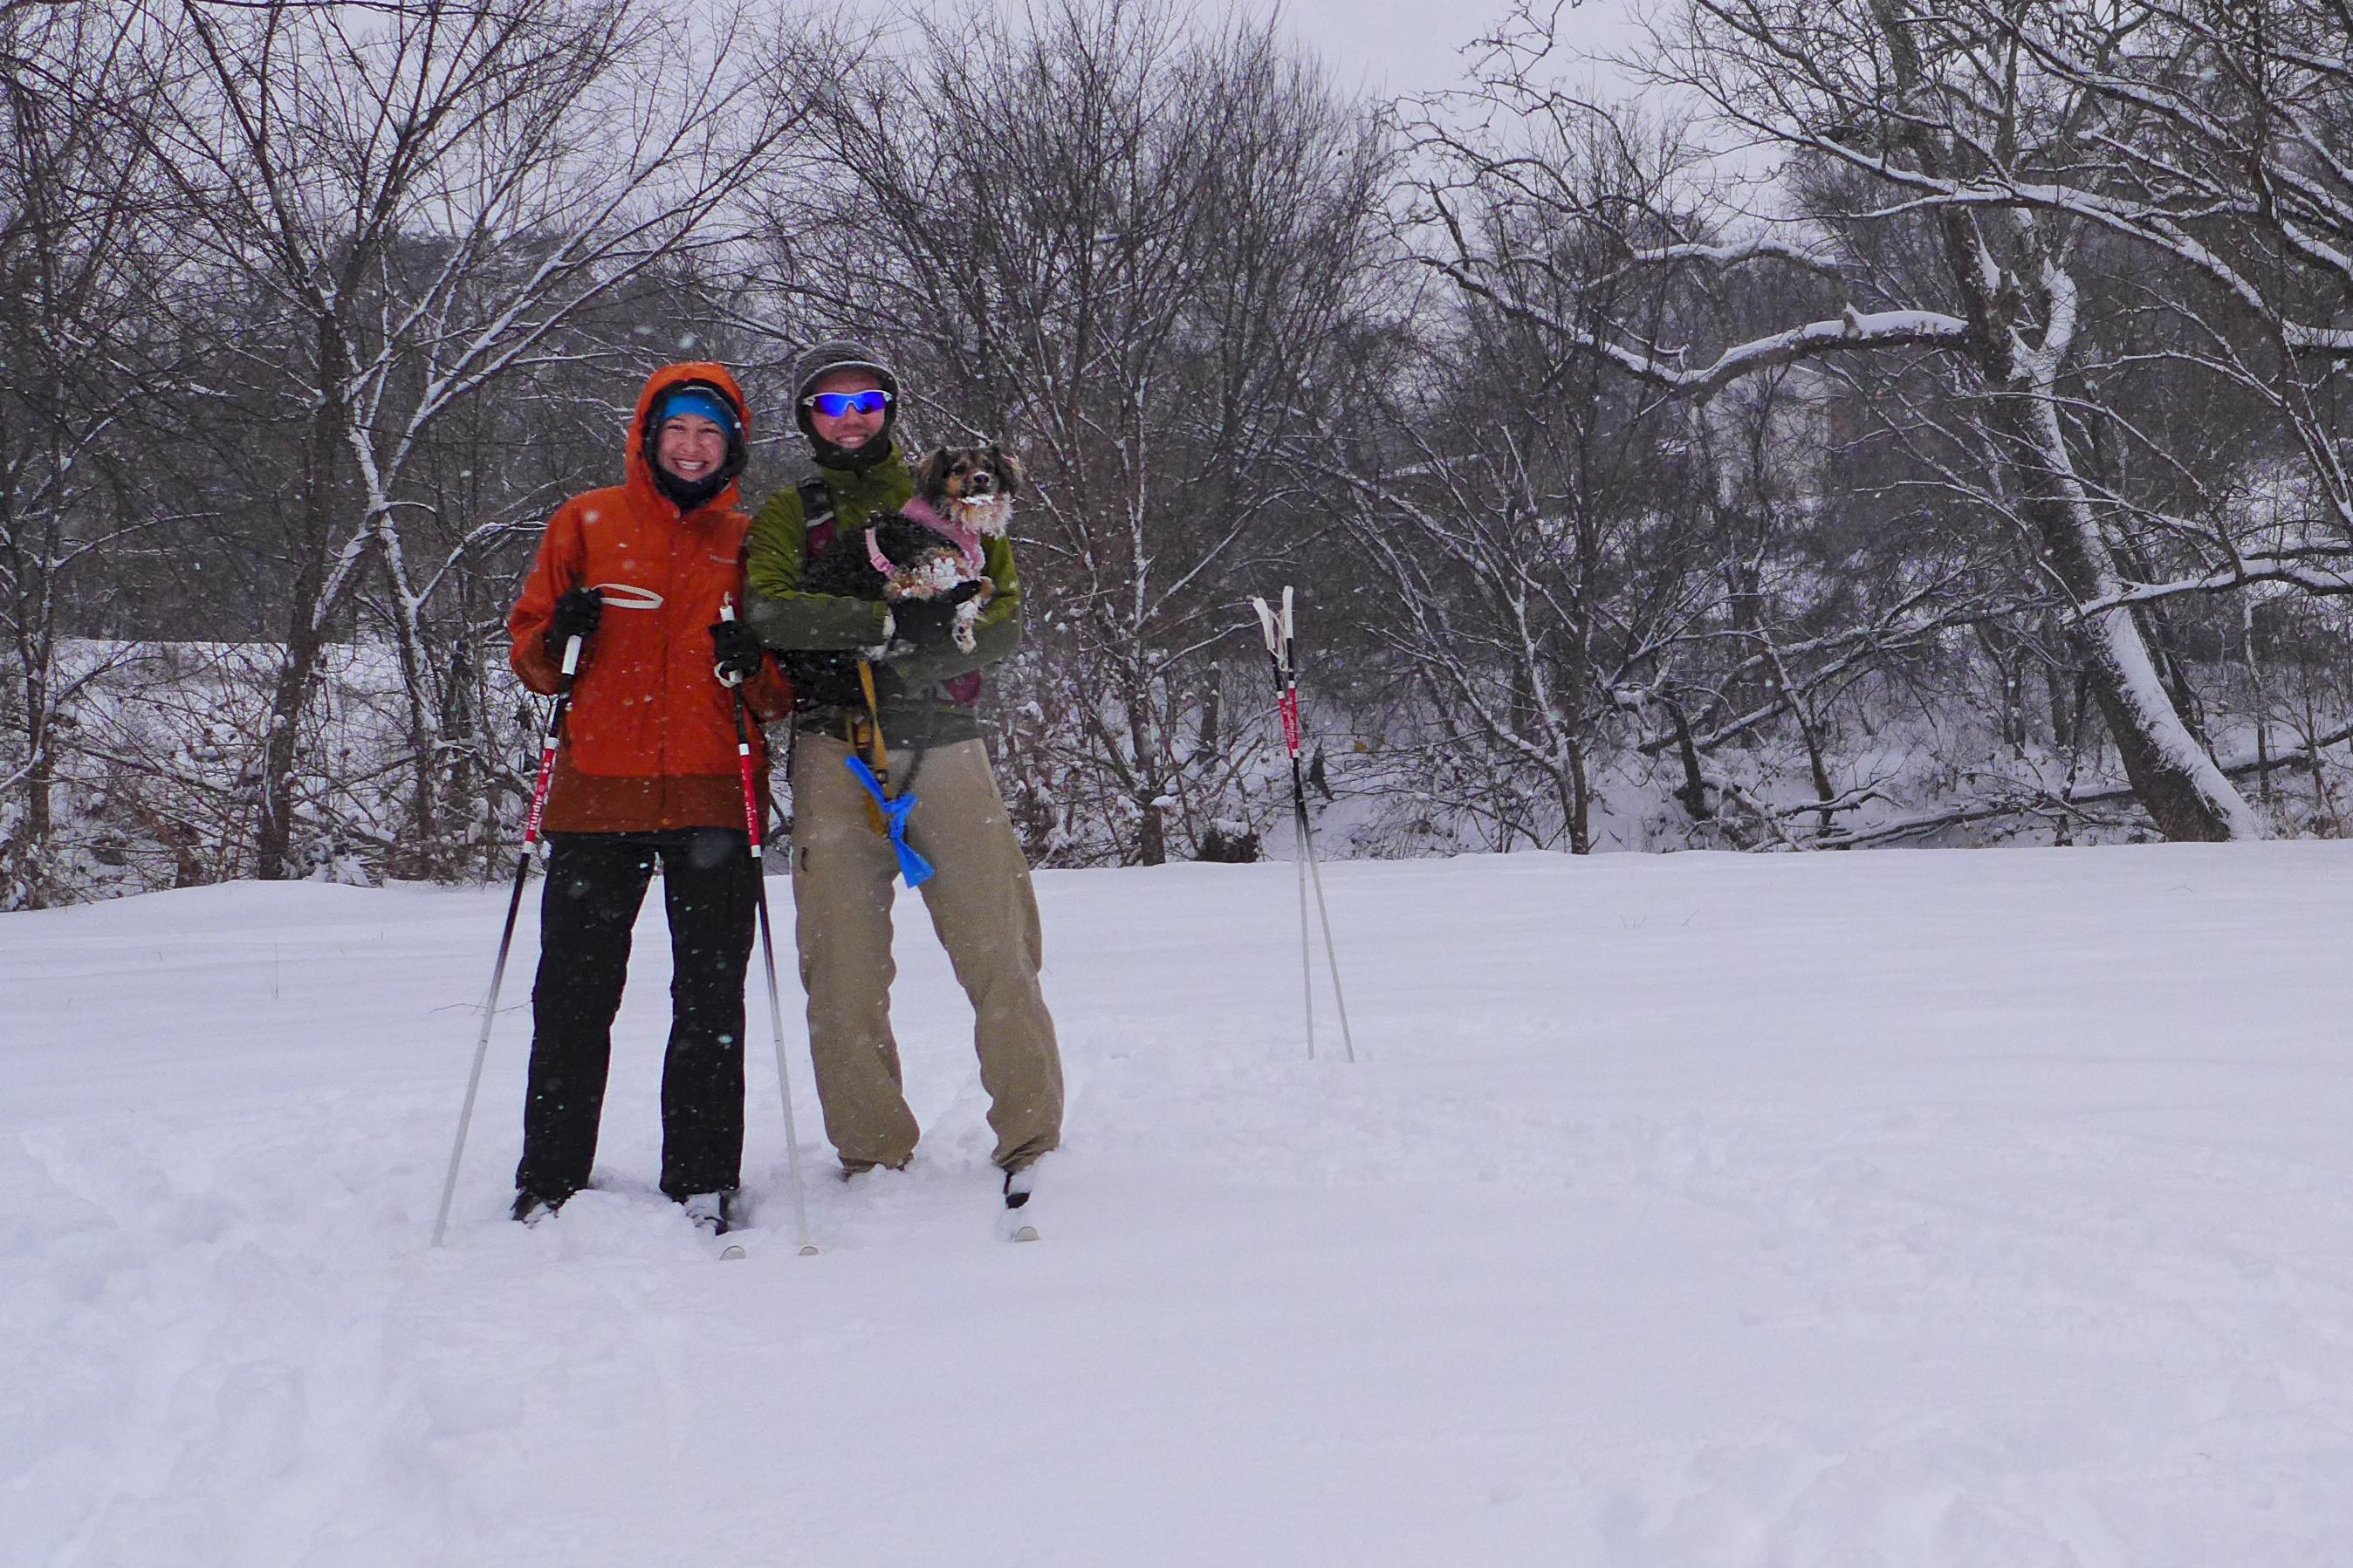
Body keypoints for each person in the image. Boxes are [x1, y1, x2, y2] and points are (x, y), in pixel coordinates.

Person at [743, 339, 1062, 1209]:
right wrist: (879, 628)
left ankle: (1032, 1138)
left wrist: (924, 656)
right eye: (830, 405)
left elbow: (1003, 616)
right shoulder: (790, 513)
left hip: (945, 742)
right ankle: (870, 1154)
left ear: (889, 410)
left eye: (867, 404)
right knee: (840, 967)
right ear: (807, 418)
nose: (850, 420)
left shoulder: (954, 496)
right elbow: (768, 608)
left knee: (999, 949)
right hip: (831, 749)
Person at [504, 363, 792, 1235]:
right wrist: (562, 632)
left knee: (709, 999)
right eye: (677, 430)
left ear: (731, 445)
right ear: (648, 436)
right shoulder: (587, 521)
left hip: (713, 795)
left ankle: (702, 1175)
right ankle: (550, 1174)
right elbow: (532, 658)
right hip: (598, 795)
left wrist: (754, 660)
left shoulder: (750, 539)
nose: (691, 447)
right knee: (573, 994)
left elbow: (780, 693)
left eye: (709, 433)